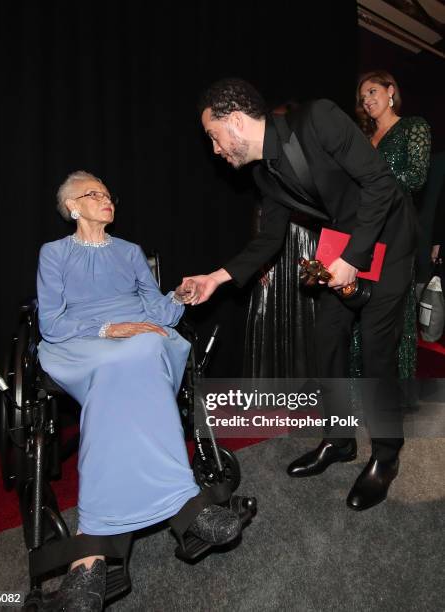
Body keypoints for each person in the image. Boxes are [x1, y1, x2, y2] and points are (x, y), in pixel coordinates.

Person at [183, 78, 417, 512]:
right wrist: (216, 277)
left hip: (388, 238)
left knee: (376, 355)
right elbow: (269, 240)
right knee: (327, 340)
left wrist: (354, 254)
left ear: (235, 121)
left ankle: (386, 457)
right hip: (345, 247)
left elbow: (381, 184)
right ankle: (339, 440)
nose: (214, 149)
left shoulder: (319, 119)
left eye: (213, 136)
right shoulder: (262, 173)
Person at [37, 171, 241, 611]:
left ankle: (91, 553)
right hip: (80, 341)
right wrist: (111, 328)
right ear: (73, 206)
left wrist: (180, 295)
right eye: (95, 194)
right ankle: (185, 510)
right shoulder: (53, 255)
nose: (107, 200)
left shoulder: (129, 252)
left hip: (139, 335)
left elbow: (155, 309)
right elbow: (51, 323)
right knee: (126, 356)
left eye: (109, 194)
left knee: (147, 344)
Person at [351, 71, 431, 404]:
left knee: (392, 312)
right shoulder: (363, 137)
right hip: (364, 230)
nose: (367, 100)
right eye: (362, 97)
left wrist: (371, 175)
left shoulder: (414, 127)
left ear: (390, 91)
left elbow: (416, 177)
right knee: (359, 308)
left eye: (372, 91)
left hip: (396, 229)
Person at [244, 102, 319, 378]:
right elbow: (260, 210)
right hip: (274, 244)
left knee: (305, 314)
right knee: (269, 313)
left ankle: (306, 389)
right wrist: (260, 260)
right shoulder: (263, 165)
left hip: (306, 242)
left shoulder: (309, 158)